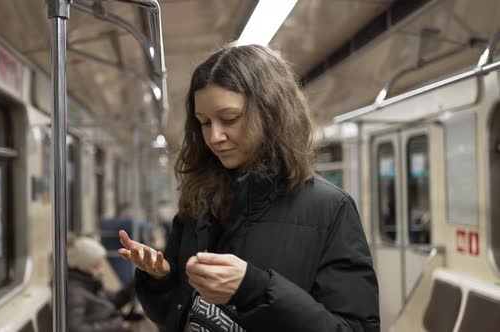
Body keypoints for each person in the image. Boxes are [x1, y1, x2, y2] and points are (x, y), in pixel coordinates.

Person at [118, 44, 380, 332]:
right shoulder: (199, 200)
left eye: (229, 119)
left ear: (271, 113)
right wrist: (161, 281)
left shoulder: (330, 209)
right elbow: (175, 315)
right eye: (204, 123)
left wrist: (256, 290)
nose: (215, 137)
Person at [67, 234, 137, 332]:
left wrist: (136, 283)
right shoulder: (74, 292)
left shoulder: (89, 284)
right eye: (96, 266)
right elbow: (76, 329)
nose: (102, 271)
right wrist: (118, 325)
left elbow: (114, 300)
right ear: (82, 267)